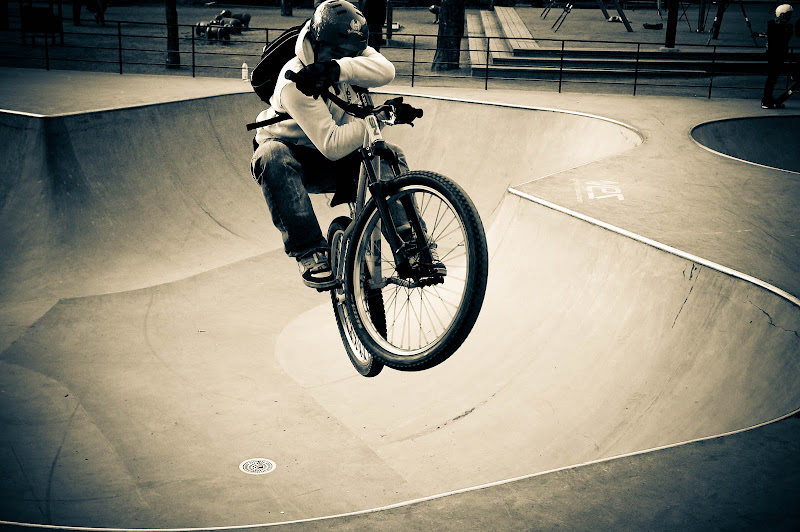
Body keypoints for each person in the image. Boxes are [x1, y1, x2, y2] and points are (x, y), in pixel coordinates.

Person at [250, 0, 409, 289]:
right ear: (316, 42)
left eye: (352, 54)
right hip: (298, 161)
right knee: (271, 155)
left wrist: (337, 69)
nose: (345, 58)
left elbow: (386, 71)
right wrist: (380, 118)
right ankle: (309, 251)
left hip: (337, 156)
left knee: (391, 155)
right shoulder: (293, 80)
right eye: (335, 54)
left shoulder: (346, 52)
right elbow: (332, 144)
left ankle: (409, 241)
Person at [762, 4, 794, 109]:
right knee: (772, 78)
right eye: (788, 14)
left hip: (778, 55)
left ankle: (768, 99)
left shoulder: (782, 26)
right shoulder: (776, 26)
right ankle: (766, 100)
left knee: (773, 78)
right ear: (782, 14)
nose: (789, 17)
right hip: (775, 55)